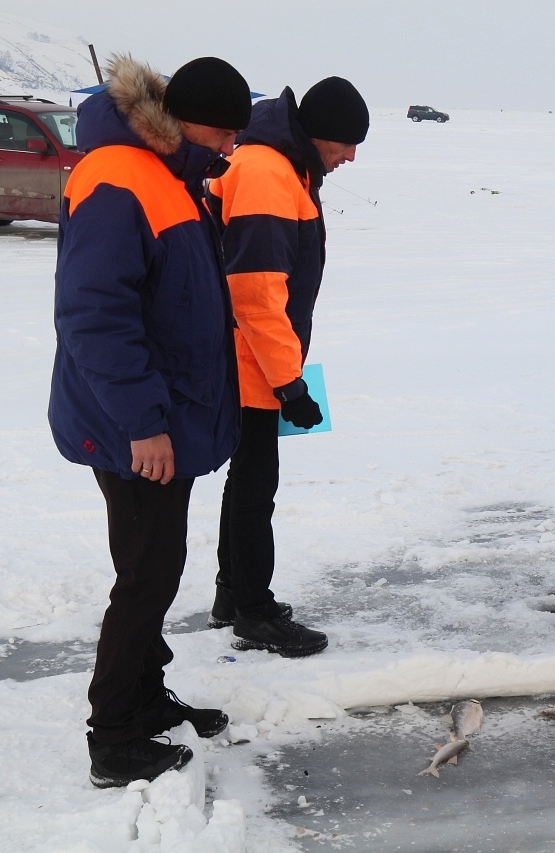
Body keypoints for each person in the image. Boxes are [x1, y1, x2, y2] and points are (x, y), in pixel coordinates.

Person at [49, 54, 250, 788]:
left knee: (156, 566)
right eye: (226, 130)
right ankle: (114, 733)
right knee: (146, 573)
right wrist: (144, 422)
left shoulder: (168, 176)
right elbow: (95, 316)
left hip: (160, 415)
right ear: (185, 120)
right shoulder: (118, 174)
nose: (232, 145)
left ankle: (144, 693)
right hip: (132, 422)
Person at [204, 77, 369, 656]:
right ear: (319, 133)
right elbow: (255, 293)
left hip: (254, 355)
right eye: (348, 144)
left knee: (248, 480)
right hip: (249, 359)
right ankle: (253, 610)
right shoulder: (269, 173)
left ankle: (234, 593)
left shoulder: (285, 166)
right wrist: (288, 382)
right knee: (255, 486)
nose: (350, 156)